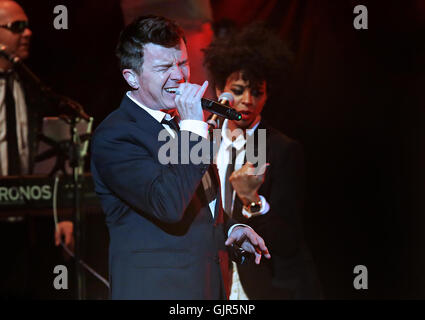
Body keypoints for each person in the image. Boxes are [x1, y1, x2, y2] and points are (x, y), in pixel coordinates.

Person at [90, 15, 270, 300]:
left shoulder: (181, 126)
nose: (179, 76)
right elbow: (169, 204)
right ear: (132, 77)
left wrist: (230, 228)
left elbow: (199, 200)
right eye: (164, 67)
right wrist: (193, 129)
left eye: (182, 63)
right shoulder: (116, 135)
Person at [203, 22, 322, 299]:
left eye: (257, 92)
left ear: (267, 96)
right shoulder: (205, 139)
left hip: (260, 283)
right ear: (221, 88)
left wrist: (252, 201)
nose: (247, 100)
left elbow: (288, 239)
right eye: (239, 89)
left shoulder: (278, 149)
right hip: (208, 276)